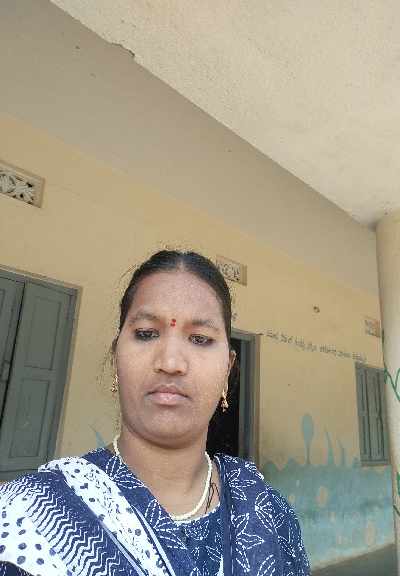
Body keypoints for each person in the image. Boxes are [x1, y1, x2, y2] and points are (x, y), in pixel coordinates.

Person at [0, 250, 310, 576]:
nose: (171, 362)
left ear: (227, 370)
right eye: (146, 333)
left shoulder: (271, 515)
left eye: (200, 338)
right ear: (116, 359)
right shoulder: (25, 518)